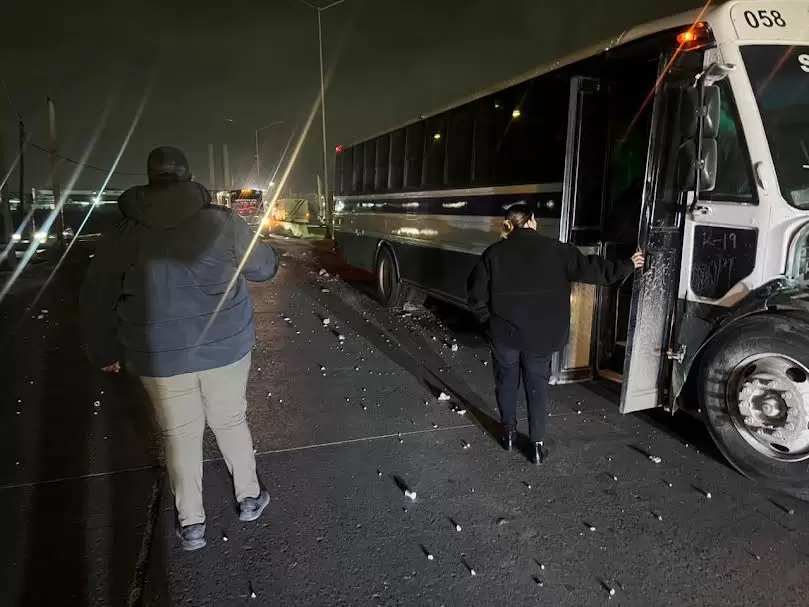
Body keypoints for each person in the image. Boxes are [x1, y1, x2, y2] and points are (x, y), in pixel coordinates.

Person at [80, 147, 278, 550]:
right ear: (189, 177)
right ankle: (250, 497)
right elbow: (264, 268)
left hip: (160, 354)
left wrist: (104, 351)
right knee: (230, 420)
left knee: (181, 434)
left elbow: (96, 297)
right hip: (225, 347)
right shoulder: (223, 222)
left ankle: (192, 524)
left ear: (150, 178)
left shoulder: (123, 232)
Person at [467, 203, 644, 465]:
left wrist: (488, 323)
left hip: (504, 334)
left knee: (506, 383)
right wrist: (627, 265)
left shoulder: (493, 254)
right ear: (532, 222)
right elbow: (594, 270)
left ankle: (509, 435)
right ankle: (537, 447)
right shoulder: (557, 250)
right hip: (543, 335)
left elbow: (475, 295)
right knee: (537, 387)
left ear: (510, 224)